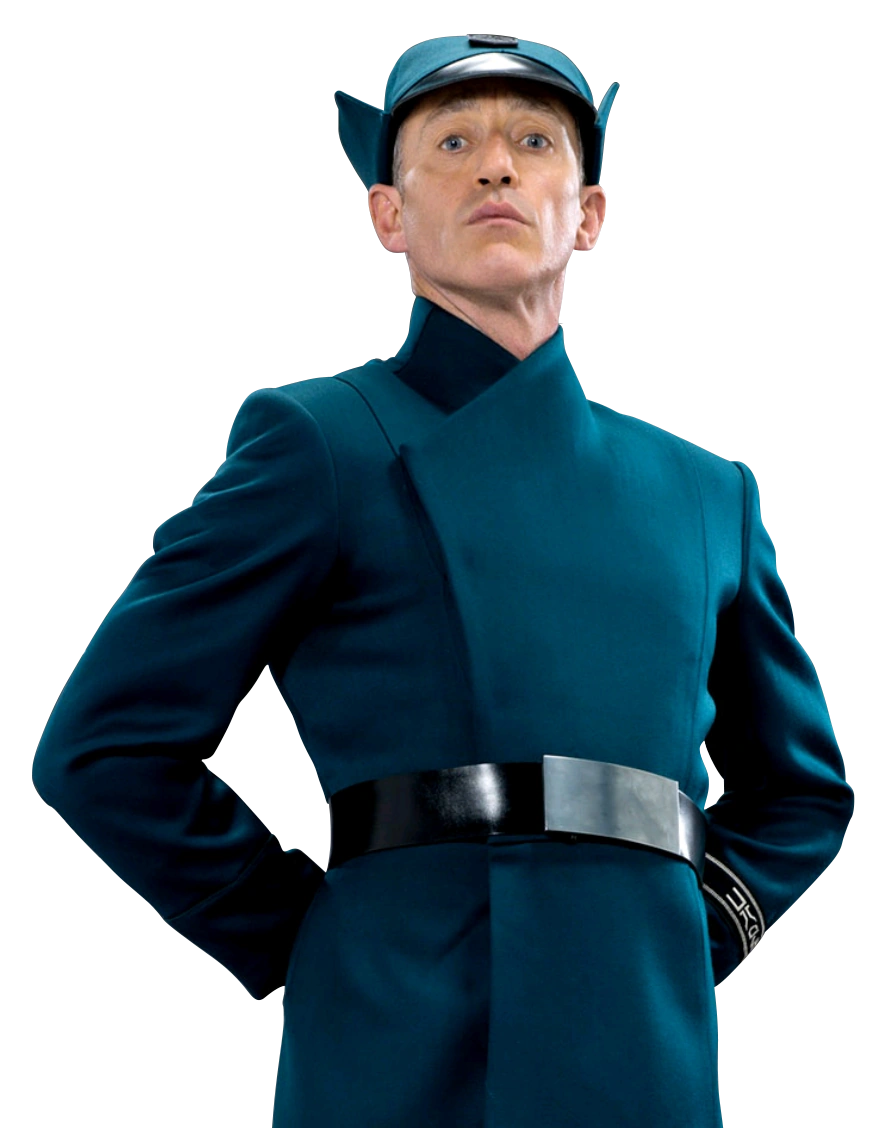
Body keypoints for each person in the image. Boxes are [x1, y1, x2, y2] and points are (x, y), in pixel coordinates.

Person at [32, 33, 855, 1128]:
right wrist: (309, 941)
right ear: (388, 216)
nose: (495, 165)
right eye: (452, 144)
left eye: (533, 142)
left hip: (638, 1037)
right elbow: (103, 748)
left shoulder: (704, 493)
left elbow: (801, 790)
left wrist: (684, 927)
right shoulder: (318, 444)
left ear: (589, 216)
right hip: (401, 1033)